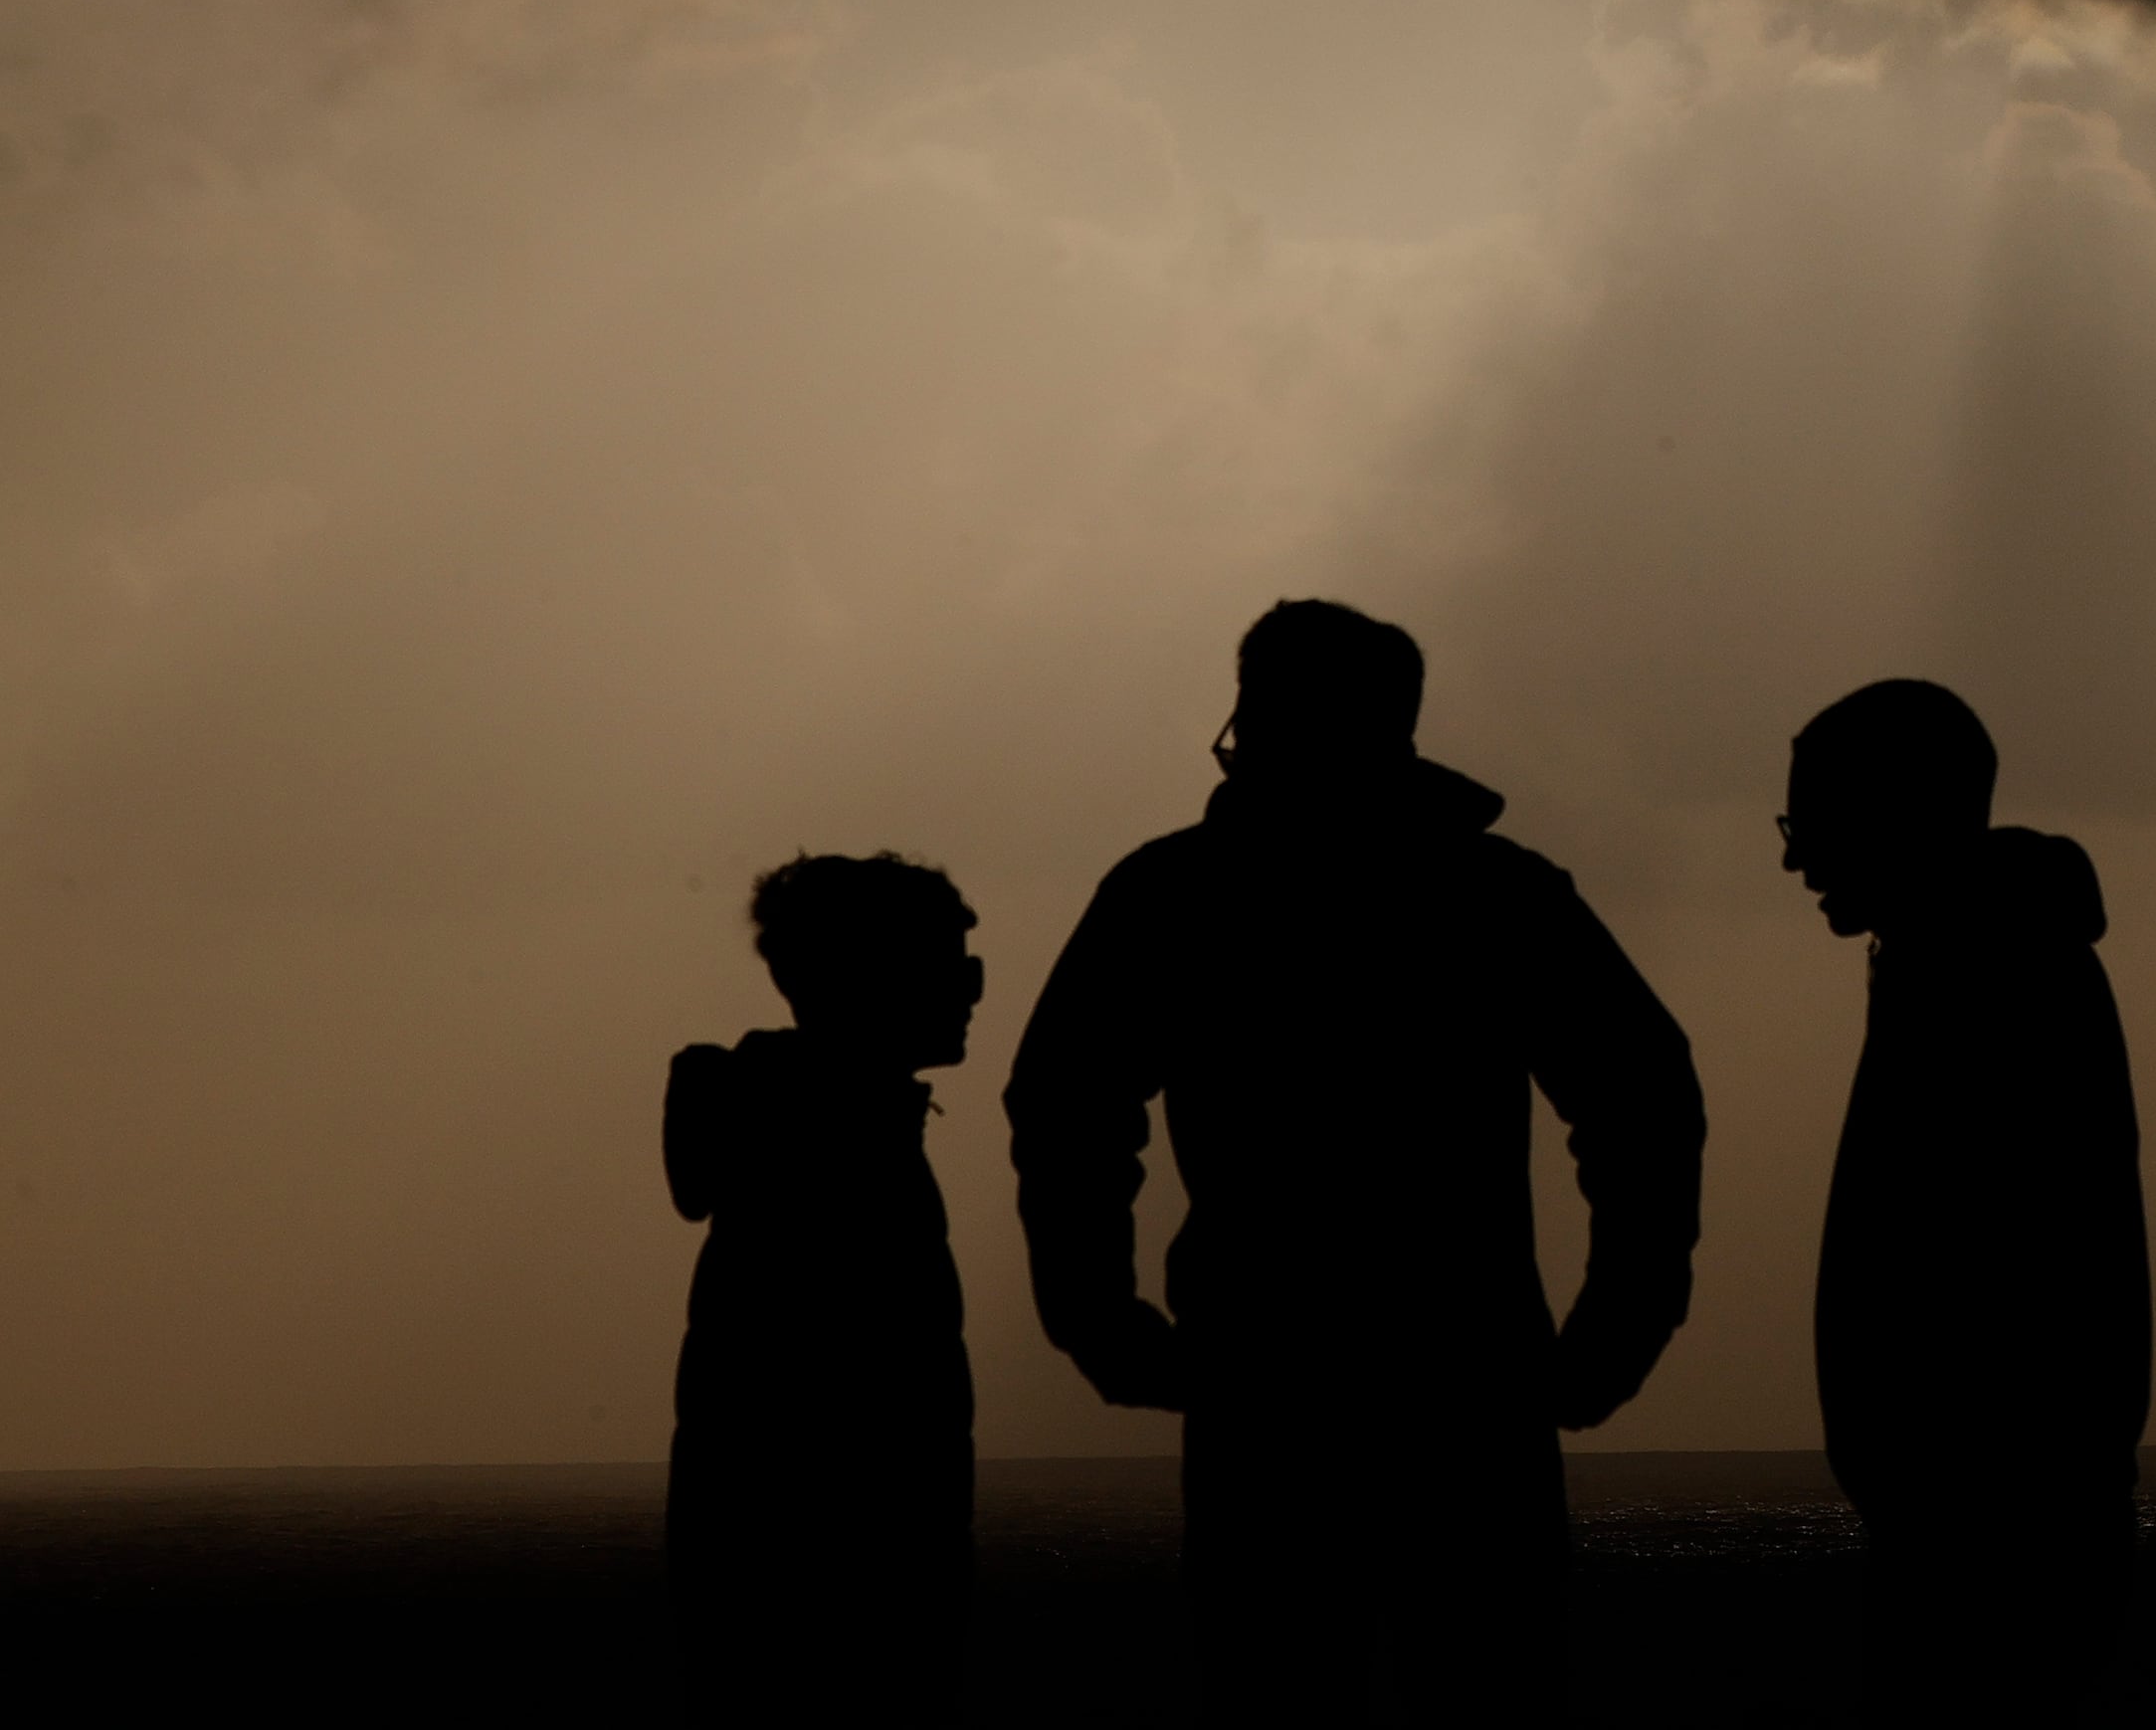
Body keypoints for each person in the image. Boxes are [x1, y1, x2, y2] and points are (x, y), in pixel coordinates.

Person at [1005, 600, 1706, 1720]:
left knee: (1276, 1698)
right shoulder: (1499, 893)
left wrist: (1097, 1312)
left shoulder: (1173, 892)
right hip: (1467, 1376)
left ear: (1251, 716)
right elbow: (1645, 1098)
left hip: (1264, 1381)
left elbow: (1065, 1105)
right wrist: (1618, 1321)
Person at [1779, 677, 2151, 1719]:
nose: (1792, 857)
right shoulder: (1977, 962)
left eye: (1808, 823)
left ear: (1888, 815)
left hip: (1987, 1524)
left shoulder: (1981, 981)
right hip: (1990, 1511)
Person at [664, 851, 987, 1725]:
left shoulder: (806, 1130)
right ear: (869, 976)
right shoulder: (830, 1160)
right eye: (951, 965)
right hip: (840, 1589)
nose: (973, 991)